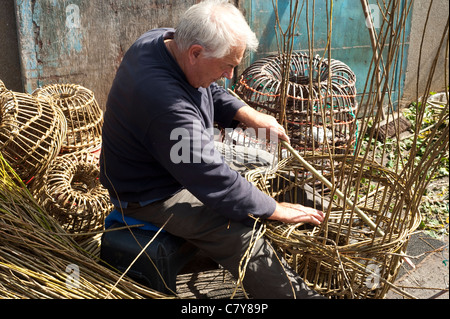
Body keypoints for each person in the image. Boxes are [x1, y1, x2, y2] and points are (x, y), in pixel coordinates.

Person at [100, 0, 325, 299]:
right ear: (195, 53)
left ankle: (328, 224)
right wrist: (275, 210)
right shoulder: (164, 104)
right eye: (228, 66)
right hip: (153, 192)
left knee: (270, 162)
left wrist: (247, 114)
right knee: (241, 234)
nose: (231, 75)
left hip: (181, 155)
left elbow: (209, 87)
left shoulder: (165, 42)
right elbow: (212, 178)